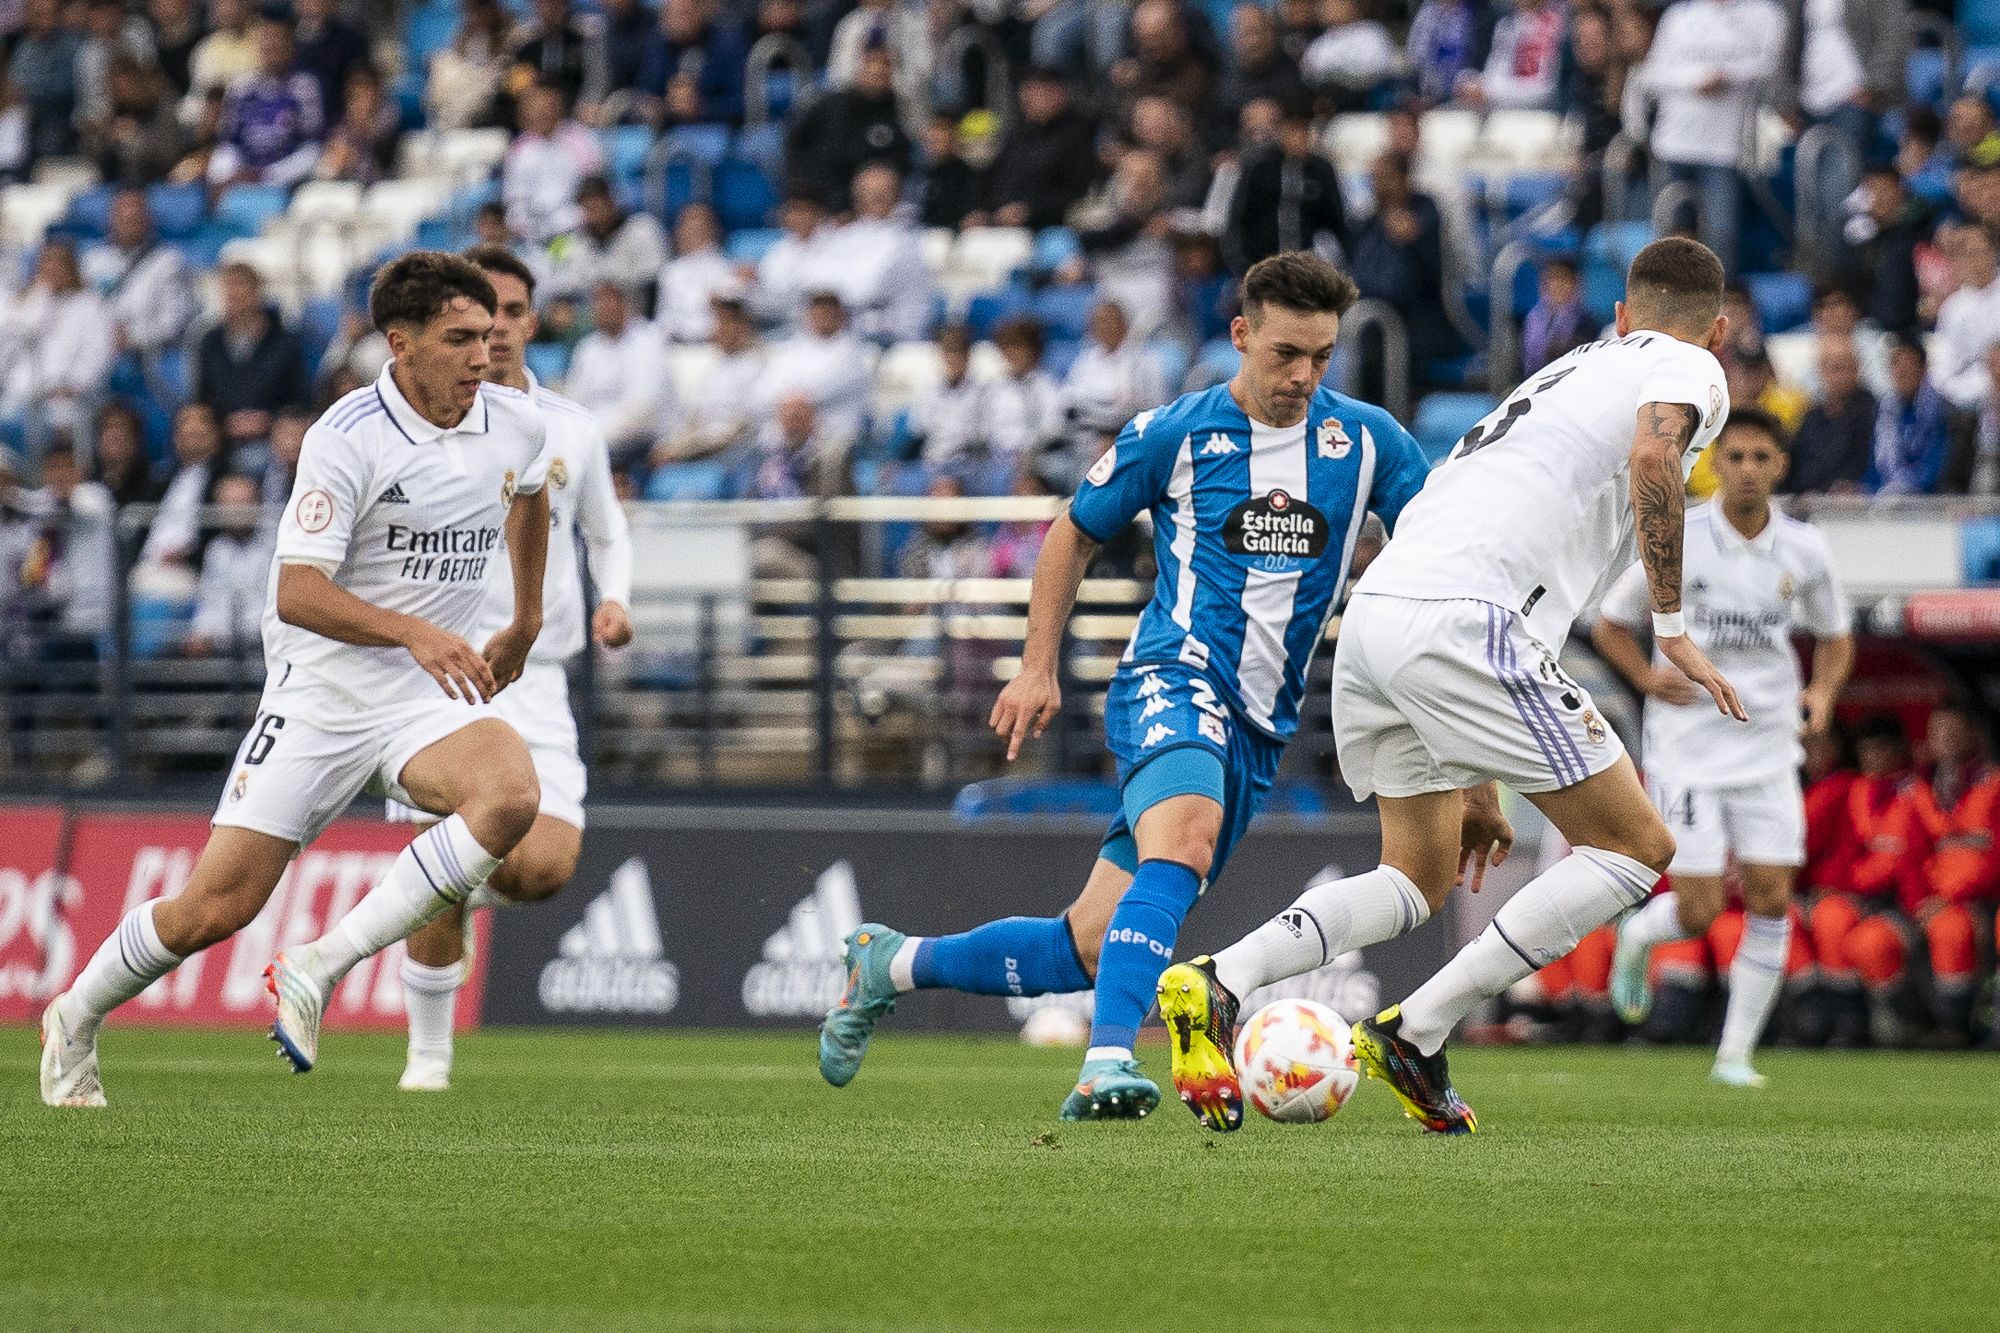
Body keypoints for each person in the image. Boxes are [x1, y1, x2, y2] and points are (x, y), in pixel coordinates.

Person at [815, 252, 1433, 1120]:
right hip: (1171, 677)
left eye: (1321, 357)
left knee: (1096, 941)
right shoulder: (1175, 432)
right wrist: (1037, 663)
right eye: (1285, 353)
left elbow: (1442, 553)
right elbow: (1073, 530)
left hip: (1260, 726)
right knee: (1182, 840)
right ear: (1240, 336)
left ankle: (890, 962)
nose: (1302, 375)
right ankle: (1106, 1061)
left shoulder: (1370, 442)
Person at [1157, 237, 1739, 1135]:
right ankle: (1417, 1029)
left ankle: (1218, 976)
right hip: (1469, 624)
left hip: (1382, 610)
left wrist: (1478, 777)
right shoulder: (1691, 366)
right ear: (1719, 331)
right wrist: (1672, 628)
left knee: (1416, 876)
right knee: (1636, 847)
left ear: (1619, 317)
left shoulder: (1569, 370)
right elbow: (1657, 462)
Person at [40, 252, 556, 1107]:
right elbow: (298, 591)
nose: (483, 355)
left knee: (509, 795)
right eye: (460, 338)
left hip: (424, 697)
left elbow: (529, 496)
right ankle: (77, 1015)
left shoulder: (514, 422)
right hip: (324, 695)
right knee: (217, 905)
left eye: (490, 336)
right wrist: (413, 630)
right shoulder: (346, 437)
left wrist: (527, 617)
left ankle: (319, 964)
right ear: (401, 343)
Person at [385, 245, 633, 1091]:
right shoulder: (417, 429)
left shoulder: (568, 429)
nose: (495, 331)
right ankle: (428, 1056)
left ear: (528, 321)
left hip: (542, 673)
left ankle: (445, 884)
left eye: (512, 313)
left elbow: (605, 529)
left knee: (545, 867)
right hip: (445, 678)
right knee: (444, 849)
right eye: (479, 316)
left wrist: (616, 597)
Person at [1596, 408, 1854, 1086]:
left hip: (1768, 744)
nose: (1745, 468)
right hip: (1687, 749)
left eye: (1758, 457)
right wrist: (1648, 677)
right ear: (1717, 462)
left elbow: (1836, 635)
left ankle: (1735, 1054)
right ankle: (1640, 937)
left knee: (1772, 895)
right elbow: (1612, 624)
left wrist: (1822, 696)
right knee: (1701, 908)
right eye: (1733, 456)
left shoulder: (1805, 549)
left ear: (1780, 467)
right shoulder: (1680, 534)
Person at [1629, 0, 1783, 279]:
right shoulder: (1679, 16)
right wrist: (1695, 80)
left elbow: (1773, 64)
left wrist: (1729, 77)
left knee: (1721, 236)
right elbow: (1652, 74)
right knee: (1671, 236)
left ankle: (1718, 306)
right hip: (1674, 143)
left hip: (1725, 147)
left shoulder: (1763, 14)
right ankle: (1669, 303)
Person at [192, 262, 311, 454]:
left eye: (240, 286)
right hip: (222, 439)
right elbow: (202, 396)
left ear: (257, 291)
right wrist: (224, 421)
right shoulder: (210, 342)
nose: (233, 294)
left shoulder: (285, 343)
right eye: (228, 287)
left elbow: (300, 398)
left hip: (272, 439)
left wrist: (267, 419)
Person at [207, 13, 326, 189]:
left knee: (313, 155)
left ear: (291, 46)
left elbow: (312, 147)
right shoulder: (241, 87)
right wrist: (230, 173)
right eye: (266, 39)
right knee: (216, 169)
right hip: (243, 172)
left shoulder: (304, 87)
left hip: (284, 175)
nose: (271, 46)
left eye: (278, 40)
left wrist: (269, 174)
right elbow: (229, 144)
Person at [81, 188, 198, 363]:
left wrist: (132, 338)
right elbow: (79, 309)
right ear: (110, 220)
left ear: (148, 220)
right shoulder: (93, 260)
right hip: (94, 355)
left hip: (144, 359)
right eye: (122, 217)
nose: (128, 222)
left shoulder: (168, 262)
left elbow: (174, 322)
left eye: (134, 219)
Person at [562, 281, 674, 466]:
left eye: (609, 300)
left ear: (625, 304)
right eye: (597, 301)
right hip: (594, 440)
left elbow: (642, 412)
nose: (601, 307)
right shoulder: (588, 347)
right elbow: (573, 403)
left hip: (641, 443)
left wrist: (594, 435)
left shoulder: (649, 340)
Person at [182, 472, 273, 657]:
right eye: (228, 504)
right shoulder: (216, 549)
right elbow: (209, 602)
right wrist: (201, 633)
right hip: (218, 642)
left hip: (259, 641)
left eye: (242, 503)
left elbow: (269, 609)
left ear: (257, 503)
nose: (235, 511)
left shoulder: (273, 546)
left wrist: (221, 636)